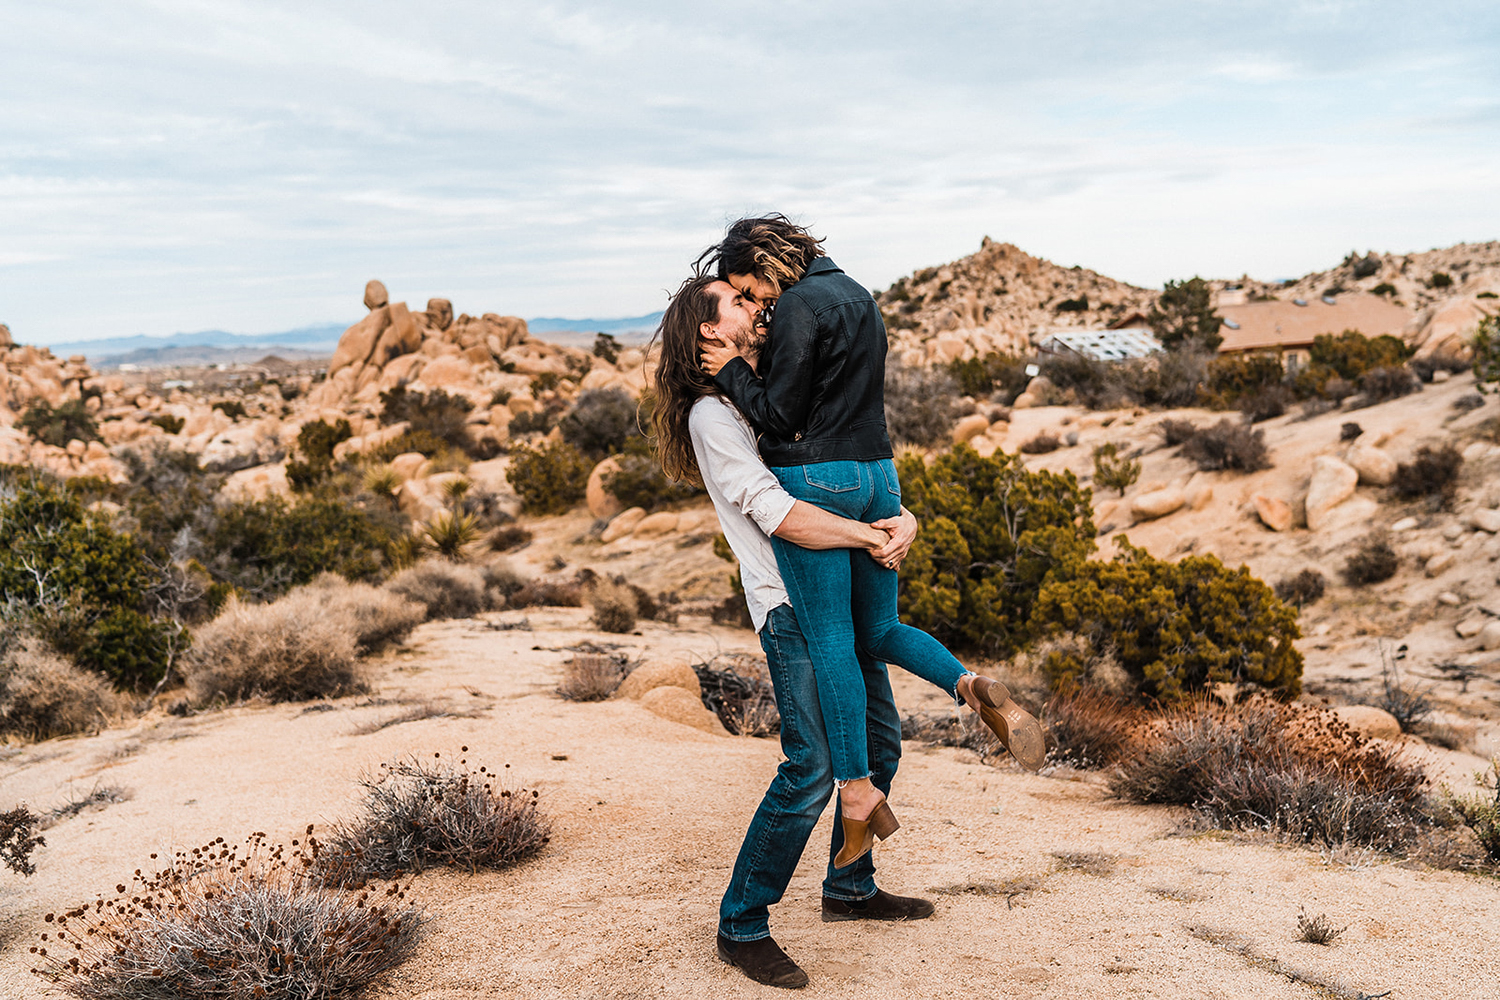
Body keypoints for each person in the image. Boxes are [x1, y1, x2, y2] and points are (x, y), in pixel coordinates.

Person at [698, 216, 1045, 863]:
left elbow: (781, 414)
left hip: (817, 479)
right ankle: (968, 685)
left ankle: (856, 793)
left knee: (831, 638)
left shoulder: (799, 304)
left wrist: (728, 372)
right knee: (878, 630)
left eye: (748, 288)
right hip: (878, 474)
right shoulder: (859, 294)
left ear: (764, 263)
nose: (753, 302)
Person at [653, 274, 936, 989]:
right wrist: (871, 537)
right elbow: (781, 513)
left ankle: (850, 888)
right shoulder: (714, 420)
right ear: (709, 332)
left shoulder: (771, 391)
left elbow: (847, 464)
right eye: (739, 303)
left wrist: (900, 518)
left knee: (879, 745)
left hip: (838, 595)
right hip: (788, 607)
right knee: (810, 767)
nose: (756, 308)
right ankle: (741, 924)